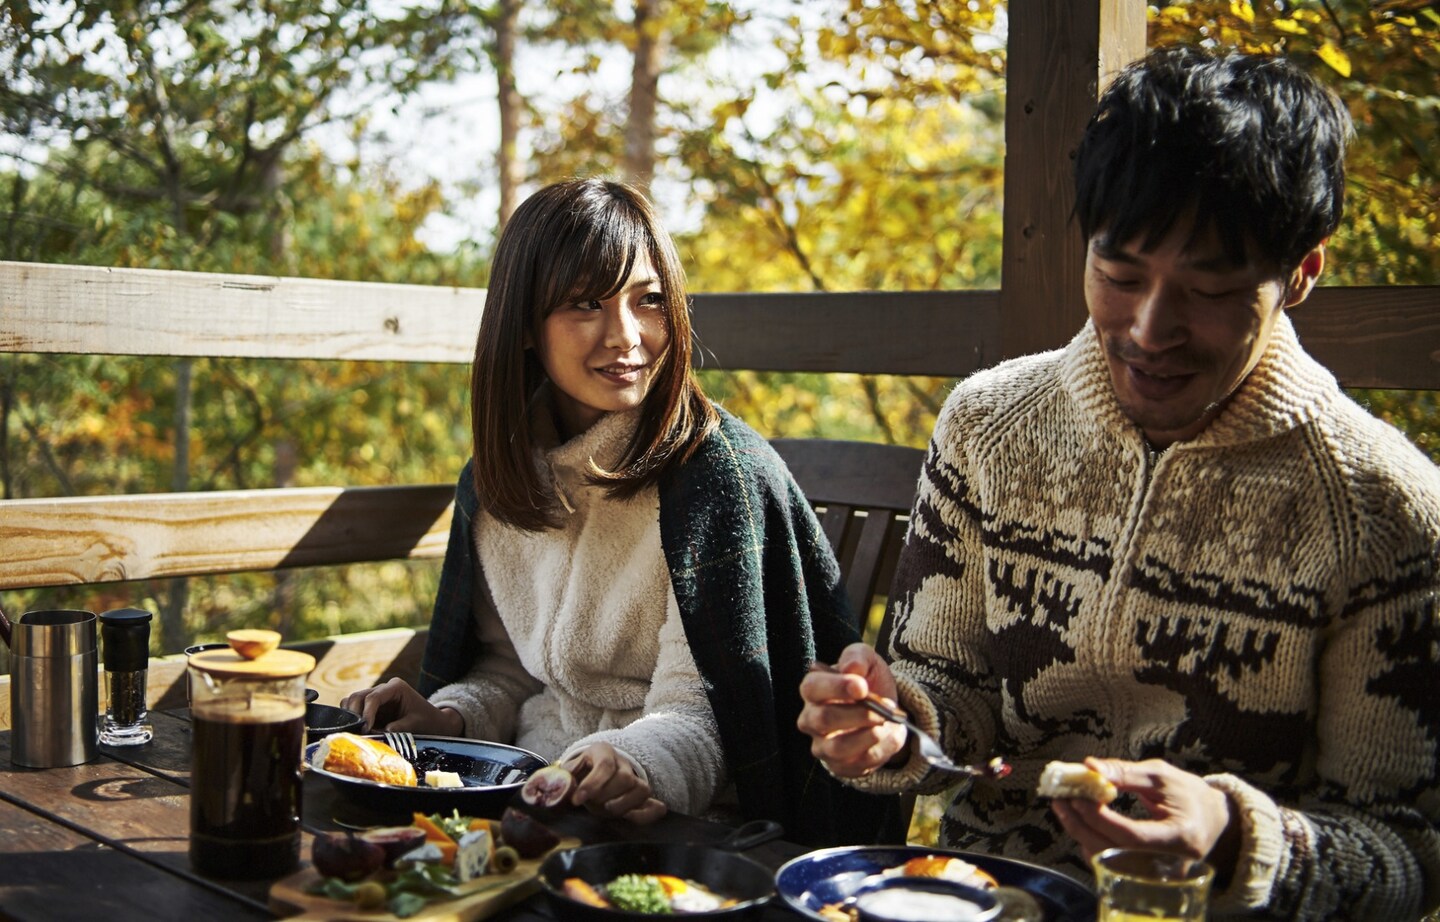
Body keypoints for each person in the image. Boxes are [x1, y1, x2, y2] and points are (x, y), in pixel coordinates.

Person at [797, 45, 1440, 919]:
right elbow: (944, 690)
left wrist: (1234, 836)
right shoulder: (987, 425)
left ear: (1300, 273)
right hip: (975, 898)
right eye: (1120, 274)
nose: (1149, 328)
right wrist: (888, 722)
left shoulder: (1387, 511)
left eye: (1209, 289)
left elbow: (1409, 851)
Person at [343, 178, 899, 845]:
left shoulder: (713, 481)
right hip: (529, 791)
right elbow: (510, 668)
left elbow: (707, 711)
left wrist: (634, 765)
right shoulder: (498, 483)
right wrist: (449, 718)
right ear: (523, 324)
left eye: (650, 301)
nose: (627, 336)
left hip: (685, 818)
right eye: (586, 303)